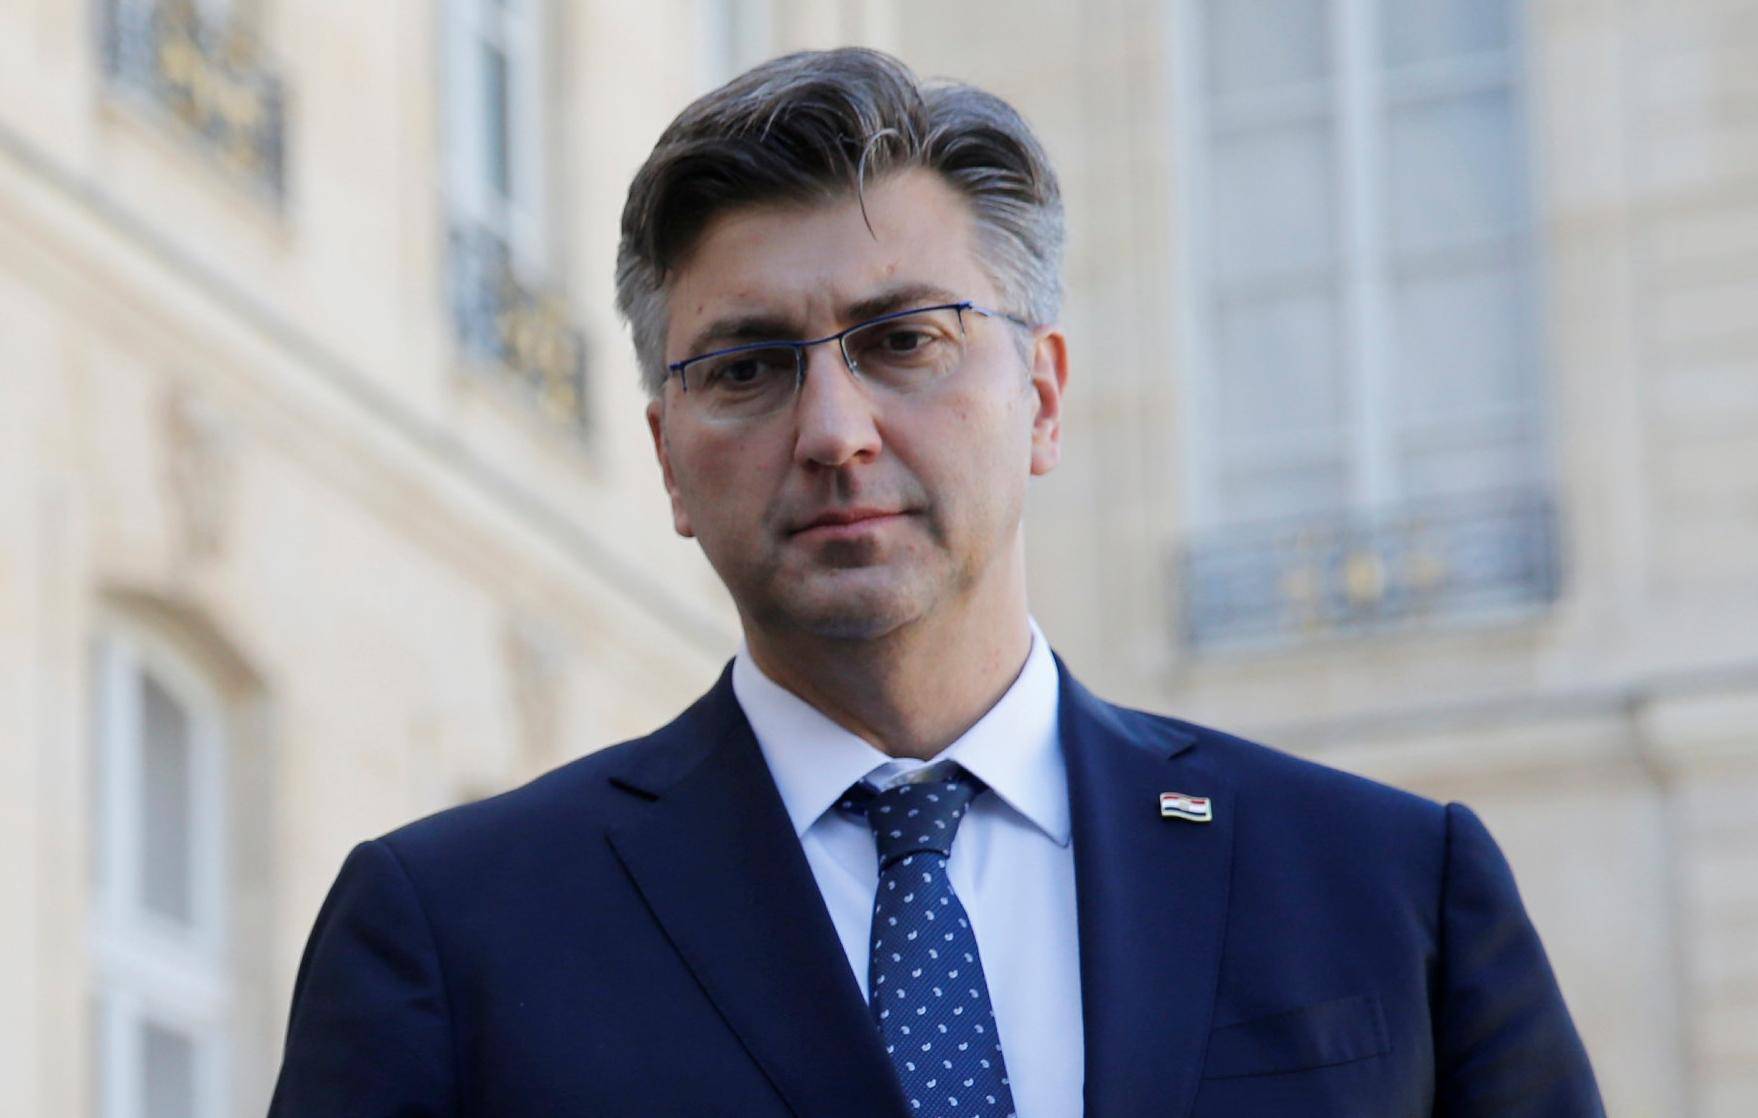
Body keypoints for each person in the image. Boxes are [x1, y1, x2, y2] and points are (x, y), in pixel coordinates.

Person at [268, 48, 1603, 1117]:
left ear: (1041, 394)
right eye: (745, 366)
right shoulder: (457, 936)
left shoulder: (1387, 893)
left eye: (903, 339)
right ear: (668, 462)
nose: (834, 427)